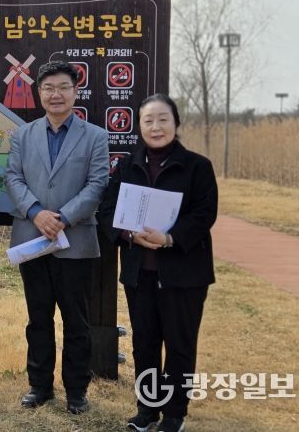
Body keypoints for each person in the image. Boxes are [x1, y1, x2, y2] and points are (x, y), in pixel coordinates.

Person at [97, 94, 217, 432]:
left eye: (163, 119)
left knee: (180, 345)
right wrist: (129, 235)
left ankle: (175, 414)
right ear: (139, 126)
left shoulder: (197, 166)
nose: (156, 126)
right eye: (148, 120)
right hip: (140, 273)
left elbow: (205, 213)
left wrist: (169, 237)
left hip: (184, 275)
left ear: (176, 123)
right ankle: (147, 410)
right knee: (144, 344)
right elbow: (107, 212)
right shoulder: (127, 166)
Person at [5, 60, 109, 414]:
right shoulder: (23, 135)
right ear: (39, 93)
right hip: (32, 238)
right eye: (48, 88)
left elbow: (97, 184)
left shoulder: (95, 136)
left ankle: (77, 390)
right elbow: (13, 178)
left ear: (75, 91)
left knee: (76, 321)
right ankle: (40, 386)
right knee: (38, 318)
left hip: (75, 241)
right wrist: (37, 212)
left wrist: (63, 217)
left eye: (64, 87)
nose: (56, 94)